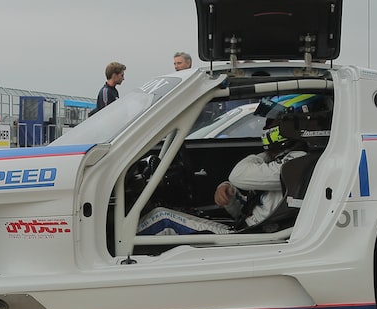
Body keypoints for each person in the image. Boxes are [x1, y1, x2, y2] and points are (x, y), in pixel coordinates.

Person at [137, 94, 328, 236]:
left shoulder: (297, 161)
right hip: (247, 229)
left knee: (161, 219)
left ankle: (122, 256)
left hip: (251, 237)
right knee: (163, 214)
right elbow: (252, 211)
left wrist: (264, 155)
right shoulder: (285, 159)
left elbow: (238, 175)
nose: (266, 127)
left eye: (272, 121)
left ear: (294, 123)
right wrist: (230, 196)